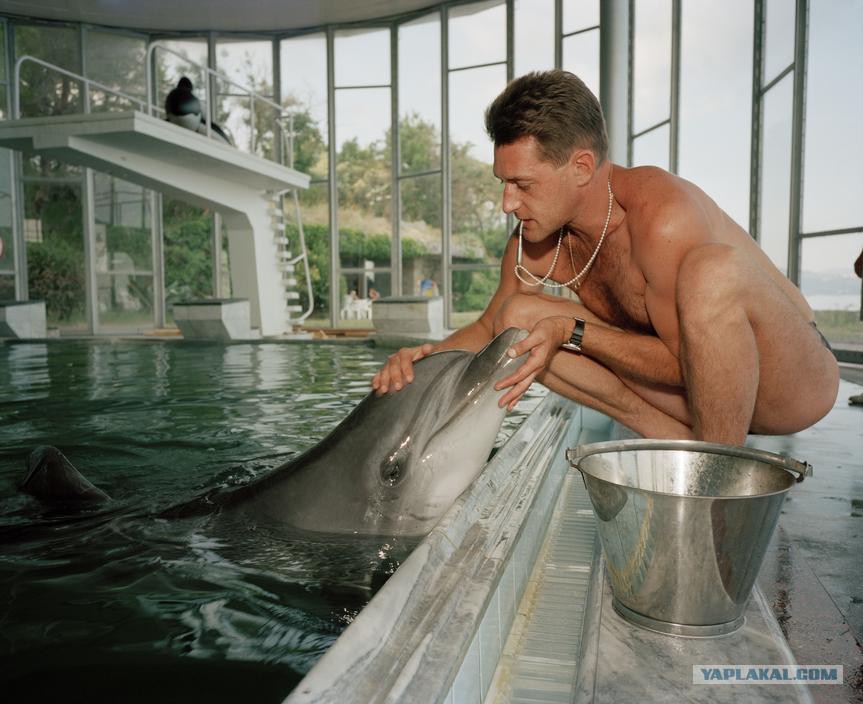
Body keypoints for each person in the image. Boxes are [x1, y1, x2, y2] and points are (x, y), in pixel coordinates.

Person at [372, 70, 839, 445]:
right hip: (693, 401)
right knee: (516, 318)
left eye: (523, 185)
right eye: (504, 183)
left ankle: (715, 483)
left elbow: (691, 361)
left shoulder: (661, 218)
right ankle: (675, 439)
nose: (507, 204)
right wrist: (423, 362)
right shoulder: (534, 240)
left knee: (711, 273)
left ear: (581, 166)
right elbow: (489, 326)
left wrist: (573, 331)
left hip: (786, 384)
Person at [164, 76, 233, 146]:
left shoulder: (172, 95)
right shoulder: (197, 100)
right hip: (194, 122)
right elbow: (206, 116)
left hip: (173, 118)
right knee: (223, 142)